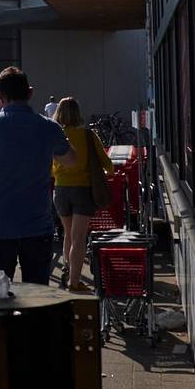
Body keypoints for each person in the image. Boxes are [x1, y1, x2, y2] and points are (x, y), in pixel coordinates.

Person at [0, 67, 78, 284]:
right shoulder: (48, 127)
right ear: (30, 92)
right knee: (37, 297)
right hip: (36, 226)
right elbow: (71, 160)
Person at [51, 97, 112, 292]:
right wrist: (109, 171)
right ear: (78, 113)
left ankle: (68, 271)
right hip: (83, 190)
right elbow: (106, 164)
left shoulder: (57, 136)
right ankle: (74, 283)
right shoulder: (88, 135)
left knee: (68, 235)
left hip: (60, 190)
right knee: (79, 238)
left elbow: (50, 167)